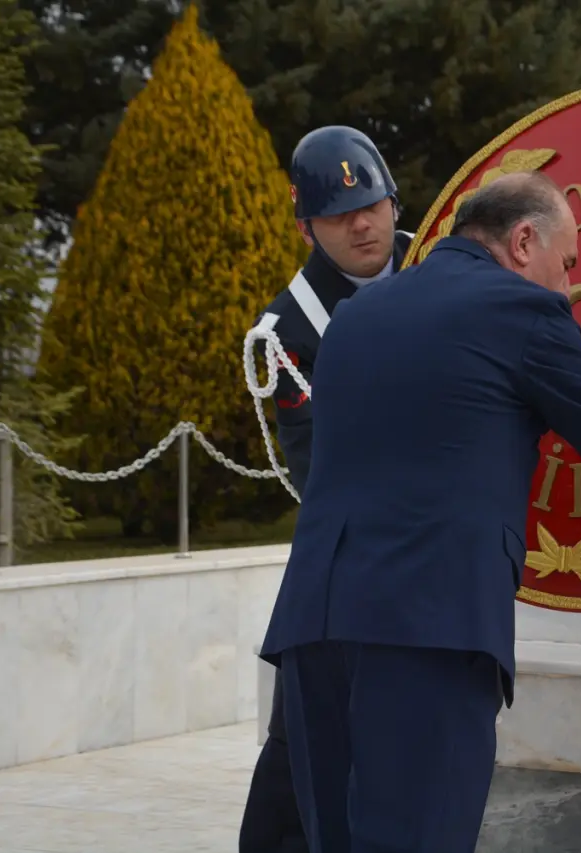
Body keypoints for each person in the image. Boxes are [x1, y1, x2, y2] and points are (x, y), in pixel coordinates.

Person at [258, 170, 581, 852]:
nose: (568, 286)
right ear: (524, 241)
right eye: (567, 263)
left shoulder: (355, 315)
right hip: (426, 627)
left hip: (312, 626)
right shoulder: (521, 309)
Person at [240, 125, 414, 853]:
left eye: (371, 205)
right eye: (338, 215)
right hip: (348, 557)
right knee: (303, 743)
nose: (362, 225)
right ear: (306, 226)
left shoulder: (445, 262)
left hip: (448, 546)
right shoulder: (286, 330)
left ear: (394, 200)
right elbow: (320, 472)